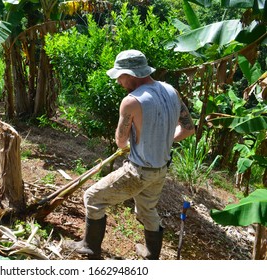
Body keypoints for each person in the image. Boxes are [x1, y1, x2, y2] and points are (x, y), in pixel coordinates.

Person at [65, 49, 195, 260]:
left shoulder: (132, 101)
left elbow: (121, 141)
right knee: (147, 211)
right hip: (160, 169)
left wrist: (143, 135)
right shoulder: (171, 91)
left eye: (120, 76)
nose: (118, 82)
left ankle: (89, 247)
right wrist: (163, 139)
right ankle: (151, 255)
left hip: (138, 171)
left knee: (92, 198)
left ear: (131, 74)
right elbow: (188, 129)